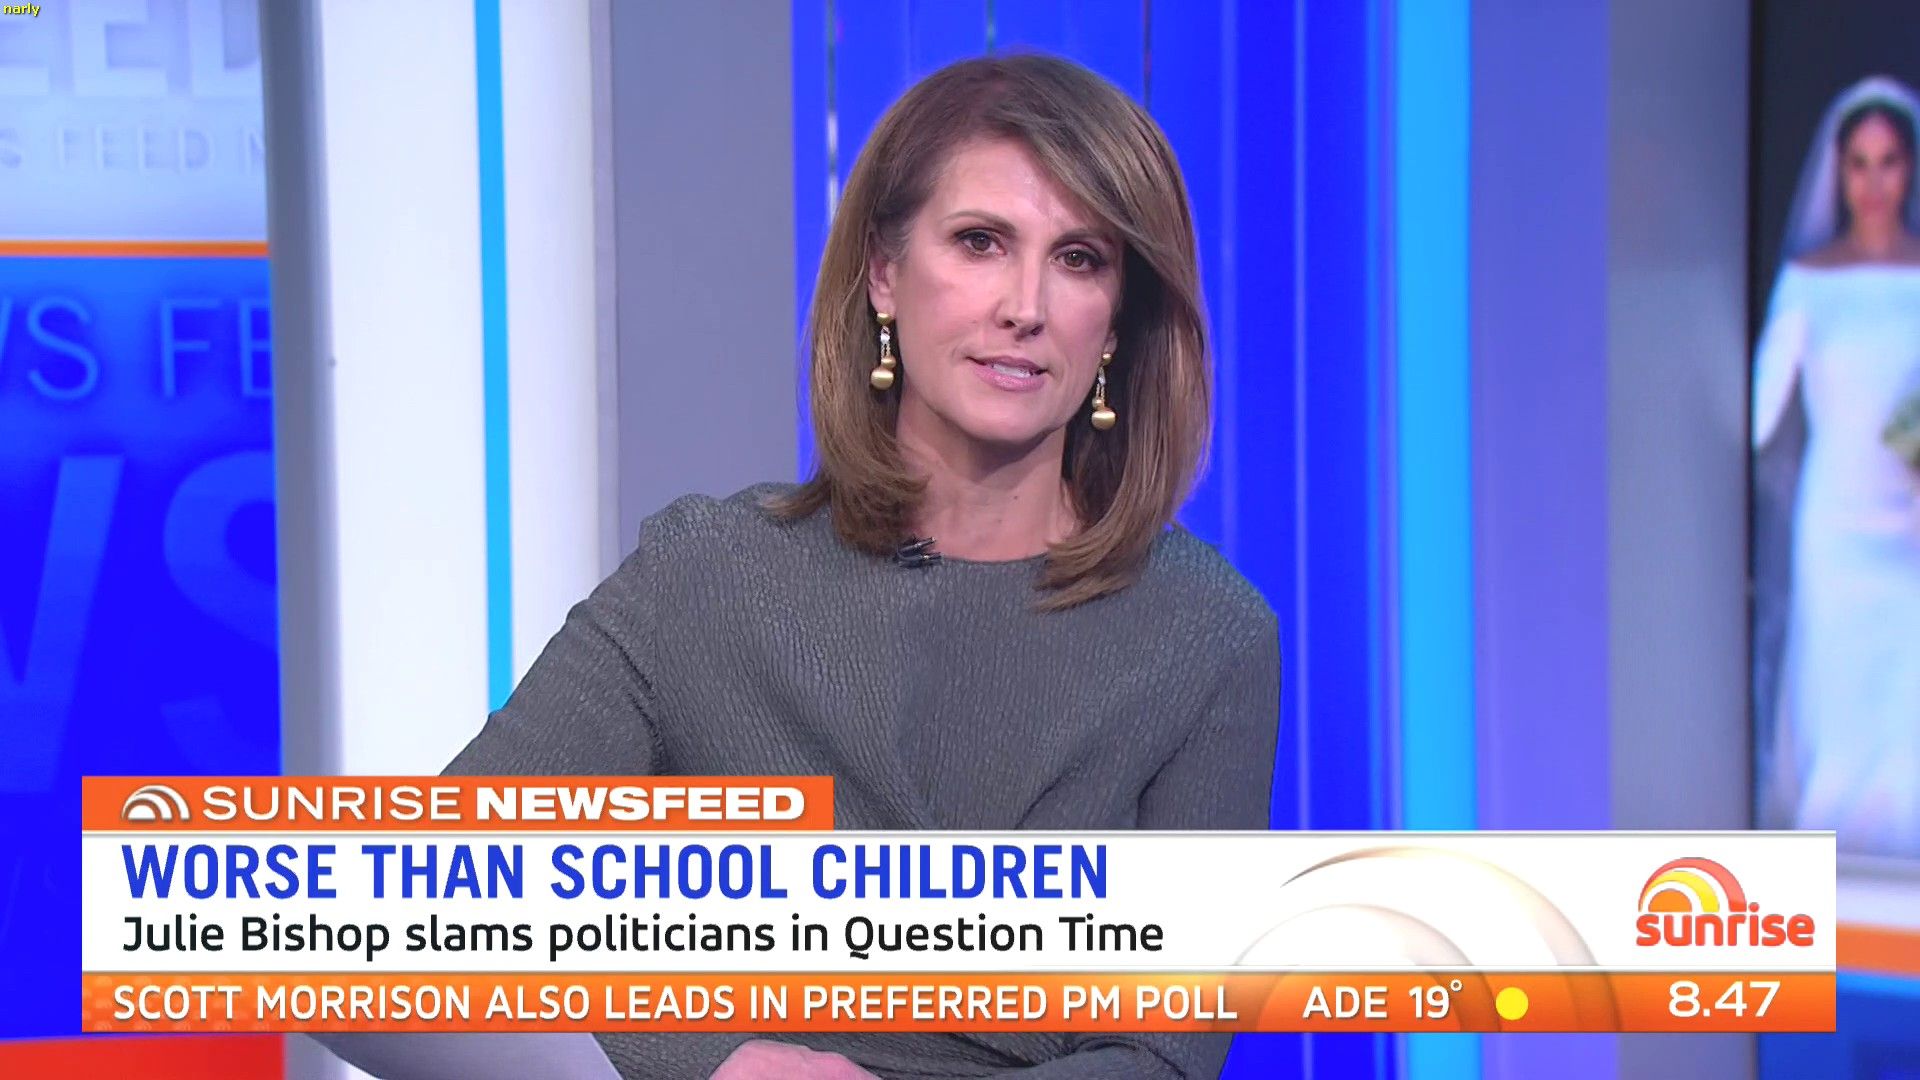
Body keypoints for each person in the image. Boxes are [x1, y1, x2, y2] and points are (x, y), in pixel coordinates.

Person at [443, 53, 1281, 1079]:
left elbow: (1166, 1052)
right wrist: (717, 1060)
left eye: (1078, 259)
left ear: (1116, 319)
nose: (1025, 305)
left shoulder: (1206, 634)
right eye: (980, 242)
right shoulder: (707, 578)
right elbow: (416, 913)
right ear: (884, 271)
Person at [1753, 75, 1920, 858]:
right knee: (1839, 690)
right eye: (1859, 163)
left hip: (1911, 524)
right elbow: (1760, 415)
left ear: (1909, 168)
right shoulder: (1808, 282)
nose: (1874, 182)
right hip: (1833, 524)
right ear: (1839, 171)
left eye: (1889, 162)